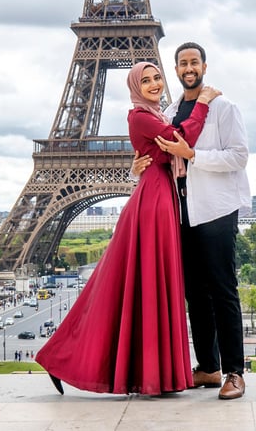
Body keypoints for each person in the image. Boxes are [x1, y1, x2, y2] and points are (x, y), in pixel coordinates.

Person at [35, 61, 220, 396]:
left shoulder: (157, 115)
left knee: (133, 285)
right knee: (136, 284)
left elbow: (165, 149)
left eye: (156, 78)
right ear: (135, 87)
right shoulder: (140, 116)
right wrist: (204, 101)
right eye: (145, 80)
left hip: (159, 194)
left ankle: (150, 372)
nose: (153, 84)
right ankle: (64, 358)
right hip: (154, 201)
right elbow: (182, 139)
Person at [134, 42, 250, 400]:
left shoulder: (223, 107)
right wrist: (135, 165)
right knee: (195, 294)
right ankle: (209, 367)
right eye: (182, 63)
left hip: (215, 210)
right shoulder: (168, 111)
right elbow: (158, 153)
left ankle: (235, 372)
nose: (188, 67)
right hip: (180, 210)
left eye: (193, 62)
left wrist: (193, 155)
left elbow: (239, 156)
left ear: (204, 65)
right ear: (176, 69)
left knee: (222, 291)